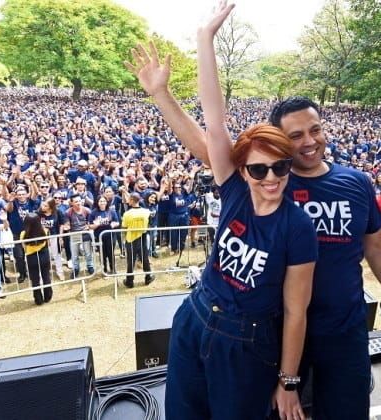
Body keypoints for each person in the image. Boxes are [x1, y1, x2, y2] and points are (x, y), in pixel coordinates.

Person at [126, 8, 381, 417]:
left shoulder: (343, 191)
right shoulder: (243, 187)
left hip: (336, 325)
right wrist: (168, 86)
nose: (272, 175)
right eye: (294, 137)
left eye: (315, 130)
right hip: (251, 326)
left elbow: (376, 246)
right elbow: (212, 129)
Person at [133, 4, 319, 418]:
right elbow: (214, 124)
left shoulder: (297, 227)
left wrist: (289, 381)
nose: (270, 178)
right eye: (258, 169)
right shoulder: (233, 190)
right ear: (243, 170)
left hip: (247, 342)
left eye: (280, 167)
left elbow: (295, 312)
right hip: (196, 317)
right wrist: (204, 40)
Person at [121, 193, 154, 288]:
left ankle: (129, 281)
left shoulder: (127, 214)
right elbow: (150, 224)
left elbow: (124, 227)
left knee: (131, 260)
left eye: (129, 199)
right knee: (145, 258)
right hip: (143, 236)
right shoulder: (146, 212)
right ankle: (148, 277)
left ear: (132, 200)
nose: (128, 201)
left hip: (131, 239)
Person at [20, 213, 52, 305]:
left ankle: (38, 299)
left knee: (35, 279)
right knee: (46, 276)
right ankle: (48, 296)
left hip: (31, 257)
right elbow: (48, 243)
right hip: (44, 255)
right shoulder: (45, 231)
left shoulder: (23, 234)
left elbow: (24, 247)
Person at [89, 196, 120, 275]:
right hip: (99, 236)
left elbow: (117, 222)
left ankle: (113, 269)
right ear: (97, 202)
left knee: (110, 253)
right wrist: (96, 225)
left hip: (110, 236)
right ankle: (104, 270)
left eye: (104, 201)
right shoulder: (93, 212)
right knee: (102, 254)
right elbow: (90, 226)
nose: (102, 203)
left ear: (106, 202)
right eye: (100, 201)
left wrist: (114, 224)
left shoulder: (111, 211)